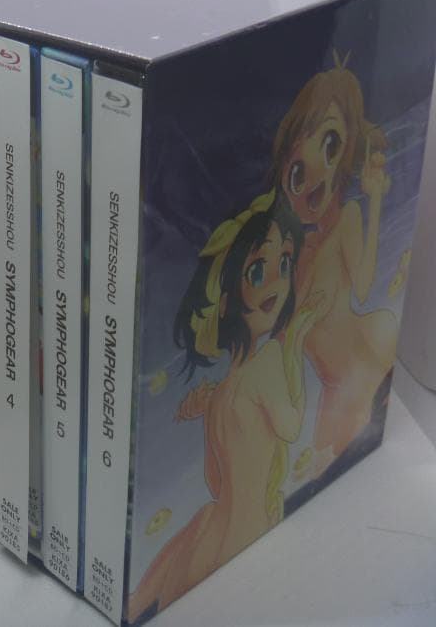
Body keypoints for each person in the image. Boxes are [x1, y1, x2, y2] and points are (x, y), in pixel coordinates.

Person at [127, 192, 321, 620]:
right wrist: (295, 344)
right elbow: (290, 427)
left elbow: (219, 480)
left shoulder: (231, 384)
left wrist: (213, 413)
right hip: (243, 533)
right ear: (229, 295)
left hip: (218, 529)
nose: (276, 282)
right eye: (257, 270)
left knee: (149, 596)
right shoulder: (263, 364)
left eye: (284, 263)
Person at [269, 58, 395, 479]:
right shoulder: (281, 263)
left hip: (371, 353)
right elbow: (284, 361)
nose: (313, 176)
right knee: (327, 471)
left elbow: (363, 287)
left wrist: (375, 201)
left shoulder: (346, 220)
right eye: (297, 170)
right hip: (334, 395)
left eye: (330, 146)